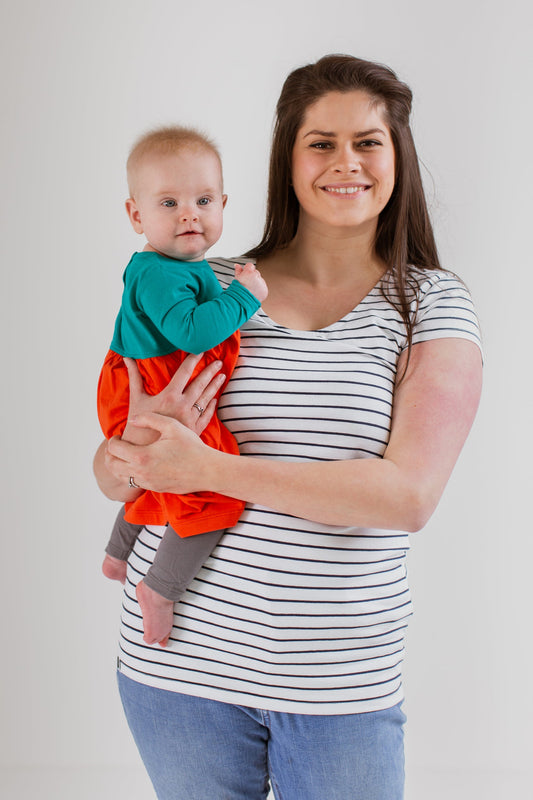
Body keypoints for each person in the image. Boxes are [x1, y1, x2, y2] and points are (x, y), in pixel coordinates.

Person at [94, 55, 482, 800]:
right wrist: (130, 451)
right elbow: (112, 467)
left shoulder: (430, 304)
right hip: (177, 668)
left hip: (338, 686)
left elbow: (406, 496)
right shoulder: (206, 279)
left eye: (367, 141)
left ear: (395, 155)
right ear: (287, 157)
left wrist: (204, 470)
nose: (346, 162)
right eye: (321, 142)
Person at [97, 125, 268, 647]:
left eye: (203, 199)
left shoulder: (174, 266)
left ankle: (119, 550)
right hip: (154, 384)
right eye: (169, 202)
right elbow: (190, 331)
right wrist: (245, 297)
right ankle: (161, 588)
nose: (189, 213)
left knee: (159, 470)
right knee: (212, 493)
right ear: (136, 216)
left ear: (223, 203)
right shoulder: (161, 273)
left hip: (154, 380)